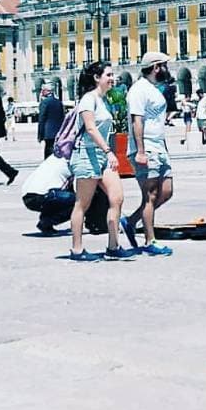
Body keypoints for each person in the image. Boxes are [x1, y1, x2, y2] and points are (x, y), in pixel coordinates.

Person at [67, 61, 130, 261]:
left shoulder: (104, 100)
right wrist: (109, 151)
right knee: (82, 204)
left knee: (117, 197)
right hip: (87, 154)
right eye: (108, 75)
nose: (112, 78)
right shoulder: (88, 99)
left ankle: (113, 245)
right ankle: (77, 249)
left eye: (113, 75)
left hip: (102, 156)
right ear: (97, 78)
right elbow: (91, 128)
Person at [124, 52, 175, 255]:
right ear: (156, 67)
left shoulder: (153, 89)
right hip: (146, 148)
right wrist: (141, 151)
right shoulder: (138, 90)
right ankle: (149, 241)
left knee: (167, 191)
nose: (166, 70)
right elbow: (138, 121)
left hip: (159, 147)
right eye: (164, 66)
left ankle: (131, 221)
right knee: (150, 195)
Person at [22, 153, 74, 234]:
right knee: (80, 201)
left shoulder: (54, 157)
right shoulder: (73, 162)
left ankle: (46, 220)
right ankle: (47, 221)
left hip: (28, 196)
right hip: (43, 196)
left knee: (61, 196)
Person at [37, 83, 65, 159]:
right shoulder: (59, 102)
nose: (41, 92)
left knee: (48, 151)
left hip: (48, 132)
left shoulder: (44, 102)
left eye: (42, 90)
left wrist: (40, 134)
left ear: (47, 91)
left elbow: (41, 119)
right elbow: (63, 117)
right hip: (59, 130)